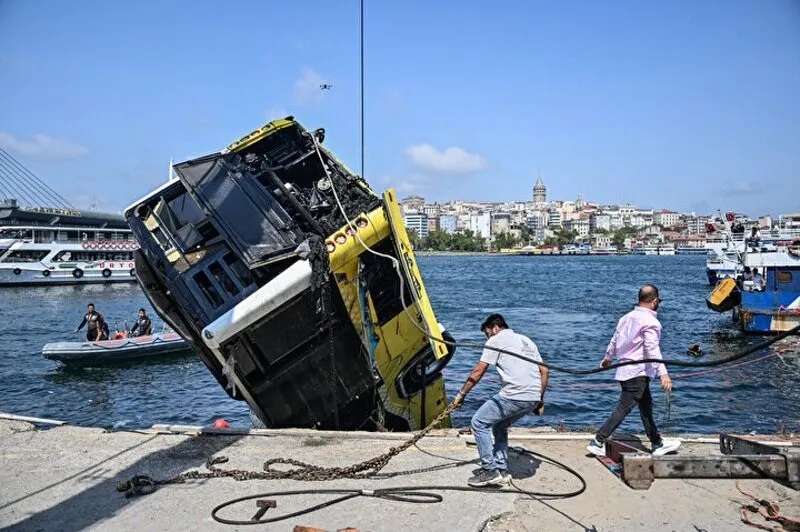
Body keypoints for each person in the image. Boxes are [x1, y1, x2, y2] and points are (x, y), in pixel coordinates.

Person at [454, 313, 549, 487]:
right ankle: (501, 469)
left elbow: (479, 371)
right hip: (533, 397)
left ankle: (490, 470)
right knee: (500, 425)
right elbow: (544, 371)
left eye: (487, 334)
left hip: (515, 394)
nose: (487, 338)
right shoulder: (526, 341)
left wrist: (461, 394)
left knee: (478, 423)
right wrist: (540, 400)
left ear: (495, 328)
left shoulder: (495, 340)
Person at [587, 285, 680, 457]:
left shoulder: (625, 318)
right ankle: (598, 441)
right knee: (623, 408)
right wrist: (663, 373)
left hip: (627, 370)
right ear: (654, 301)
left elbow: (615, 340)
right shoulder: (651, 322)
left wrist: (608, 358)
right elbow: (652, 348)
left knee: (646, 407)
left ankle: (657, 443)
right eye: (658, 301)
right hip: (637, 372)